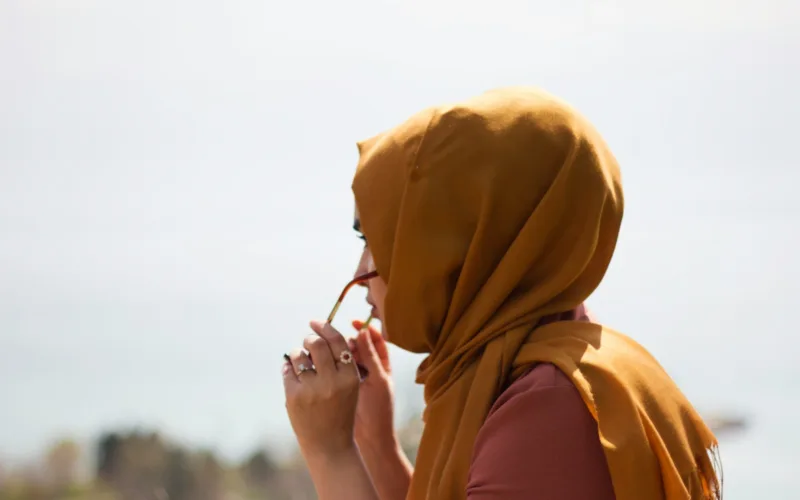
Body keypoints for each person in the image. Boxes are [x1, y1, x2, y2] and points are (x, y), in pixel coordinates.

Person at [281, 87, 721, 500]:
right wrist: (375, 443)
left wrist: (330, 454)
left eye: (375, 239)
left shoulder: (548, 411)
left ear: (460, 245)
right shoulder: (532, 370)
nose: (360, 274)